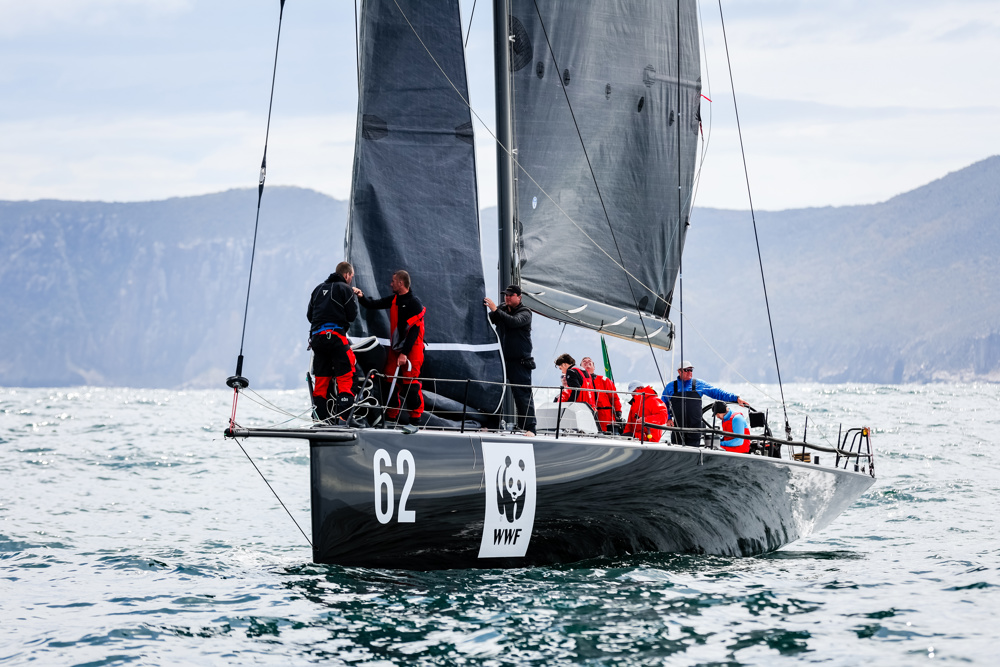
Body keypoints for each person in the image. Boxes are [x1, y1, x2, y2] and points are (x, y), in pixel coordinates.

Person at [355, 270, 425, 423]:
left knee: (410, 385)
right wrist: (360, 296)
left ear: (401, 283)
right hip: (396, 348)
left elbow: (414, 332)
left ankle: (415, 421)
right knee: (388, 380)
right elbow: (373, 304)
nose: (390, 284)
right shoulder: (394, 299)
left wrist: (405, 354)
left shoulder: (415, 303)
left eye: (393, 281)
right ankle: (391, 417)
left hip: (412, 350)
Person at [307, 261, 359, 422]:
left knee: (321, 380)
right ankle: (344, 419)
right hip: (336, 337)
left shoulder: (317, 289)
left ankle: (320, 419)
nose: (351, 280)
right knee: (346, 377)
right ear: (346, 275)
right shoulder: (345, 289)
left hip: (317, 339)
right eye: (351, 277)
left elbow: (310, 316)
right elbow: (352, 315)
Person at [485, 284, 536, 434]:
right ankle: (493, 424)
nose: (507, 297)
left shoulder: (526, 312)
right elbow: (491, 319)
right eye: (506, 295)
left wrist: (495, 310)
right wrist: (492, 310)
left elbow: (514, 322)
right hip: (501, 359)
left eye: (510, 295)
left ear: (519, 297)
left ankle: (529, 428)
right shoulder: (501, 308)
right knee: (495, 392)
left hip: (520, 361)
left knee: (523, 396)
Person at [660, 360, 748, 447]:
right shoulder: (671, 387)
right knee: (677, 451)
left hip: (695, 428)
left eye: (691, 370)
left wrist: (736, 398)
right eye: (686, 370)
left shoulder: (699, 384)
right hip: (677, 428)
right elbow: (663, 404)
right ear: (679, 371)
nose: (690, 372)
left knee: (693, 451)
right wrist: (668, 418)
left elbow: (717, 392)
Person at [581, 356, 622, 433]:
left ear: (594, 367)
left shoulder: (605, 380)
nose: (587, 362)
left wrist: (618, 411)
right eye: (584, 362)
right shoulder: (579, 381)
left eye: (589, 361)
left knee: (607, 433)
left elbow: (614, 397)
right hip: (587, 414)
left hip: (605, 415)